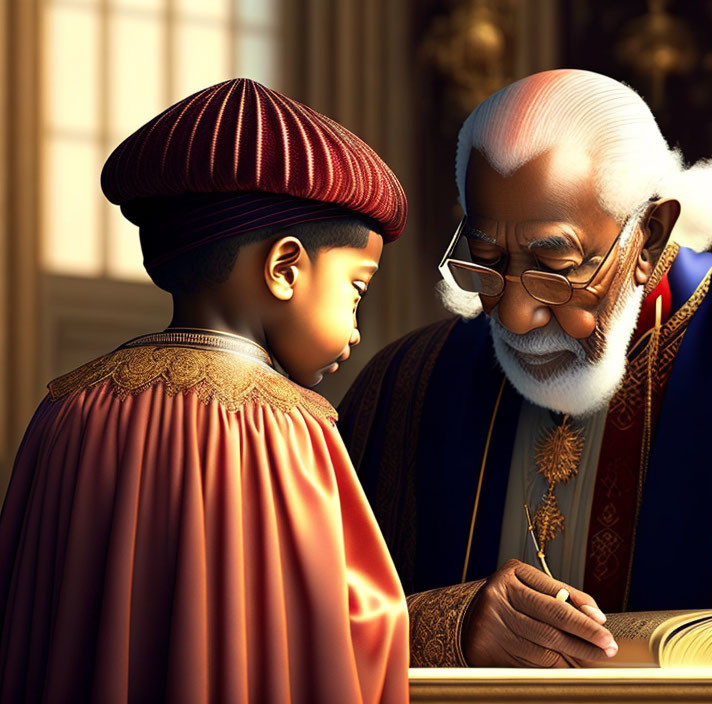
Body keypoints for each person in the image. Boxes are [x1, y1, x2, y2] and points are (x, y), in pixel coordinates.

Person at [338, 69, 712, 667]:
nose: (519, 314)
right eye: (488, 262)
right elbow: (298, 610)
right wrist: (448, 629)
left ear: (648, 237)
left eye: (557, 267)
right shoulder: (408, 384)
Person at [0, 78, 410, 702]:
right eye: (356, 290)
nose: (356, 329)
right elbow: (356, 624)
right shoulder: (291, 427)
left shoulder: (65, 408)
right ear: (284, 268)